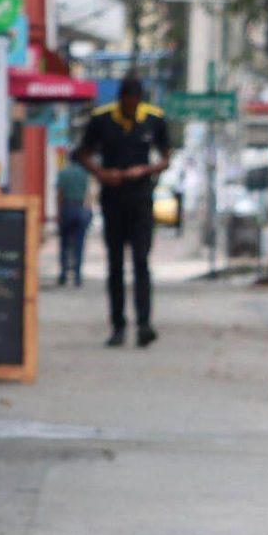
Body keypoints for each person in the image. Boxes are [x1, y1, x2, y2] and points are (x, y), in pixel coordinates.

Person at [74, 77, 173, 346]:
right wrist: (102, 173)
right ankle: (118, 325)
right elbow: (82, 153)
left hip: (141, 198)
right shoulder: (102, 119)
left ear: (140, 99)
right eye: (127, 101)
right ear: (121, 99)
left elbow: (166, 157)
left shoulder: (154, 119)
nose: (131, 105)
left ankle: (144, 324)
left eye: (135, 101)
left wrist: (146, 170)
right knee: (115, 264)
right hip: (113, 198)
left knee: (141, 262)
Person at [54, 152, 93, 287]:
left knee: (65, 244)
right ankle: (77, 276)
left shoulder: (63, 173)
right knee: (79, 244)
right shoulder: (84, 173)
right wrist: (88, 211)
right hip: (80, 209)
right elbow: (88, 194)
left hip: (67, 208)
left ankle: (64, 274)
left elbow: (59, 194)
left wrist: (58, 213)